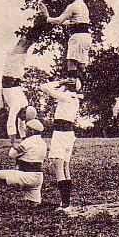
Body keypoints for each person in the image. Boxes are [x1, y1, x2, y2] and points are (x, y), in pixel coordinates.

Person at [0, 118, 47, 213]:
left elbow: (11, 154)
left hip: (26, 176)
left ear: (32, 130)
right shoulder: (43, 142)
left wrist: (17, 144)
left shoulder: (28, 141)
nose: (25, 130)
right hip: (38, 177)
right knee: (34, 205)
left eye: (27, 128)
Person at [0, 12, 47, 144]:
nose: (21, 118)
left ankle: (42, 23)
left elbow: (20, 124)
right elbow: (11, 122)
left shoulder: (23, 106)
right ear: (24, 112)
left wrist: (24, 139)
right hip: (11, 75)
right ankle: (42, 22)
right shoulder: (18, 106)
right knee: (23, 43)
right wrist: (14, 141)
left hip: (15, 77)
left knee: (26, 45)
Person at [41, 78, 82, 212]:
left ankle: (65, 204)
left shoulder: (65, 96)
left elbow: (45, 87)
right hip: (69, 133)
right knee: (65, 167)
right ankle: (66, 203)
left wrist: (60, 83)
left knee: (58, 167)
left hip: (60, 133)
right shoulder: (75, 98)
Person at [44, 0, 92, 84]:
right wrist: (57, 22)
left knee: (71, 61)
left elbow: (59, 20)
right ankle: (82, 88)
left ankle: (72, 86)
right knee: (81, 64)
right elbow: (73, 22)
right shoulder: (84, 6)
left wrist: (47, 19)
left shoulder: (72, 6)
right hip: (86, 37)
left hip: (77, 36)